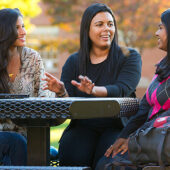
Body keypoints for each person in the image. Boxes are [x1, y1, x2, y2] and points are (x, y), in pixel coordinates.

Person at [43, 3, 142, 169]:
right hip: (82, 127)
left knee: (107, 162)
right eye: (99, 24)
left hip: (117, 127)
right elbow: (68, 104)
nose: (107, 29)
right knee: (73, 156)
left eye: (110, 24)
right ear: (87, 29)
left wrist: (94, 90)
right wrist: (61, 92)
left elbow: (122, 89)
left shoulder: (130, 56)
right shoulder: (73, 62)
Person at [95, 8, 170, 170]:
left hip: (162, 144)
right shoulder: (163, 68)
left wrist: (137, 140)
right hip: (148, 139)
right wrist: (123, 137)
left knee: (111, 166)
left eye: (161, 28)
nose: (156, 33)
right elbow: (144, 109)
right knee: (105, 162)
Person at [0, 8, 54, 165]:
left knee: (24, 147)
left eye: (23, 26)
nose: (23, 32)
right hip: (5, 137)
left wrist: (56, 91)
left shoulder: (32, 58)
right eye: (17, 28)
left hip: (28, 135)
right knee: (14, 143)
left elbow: (45, 96)